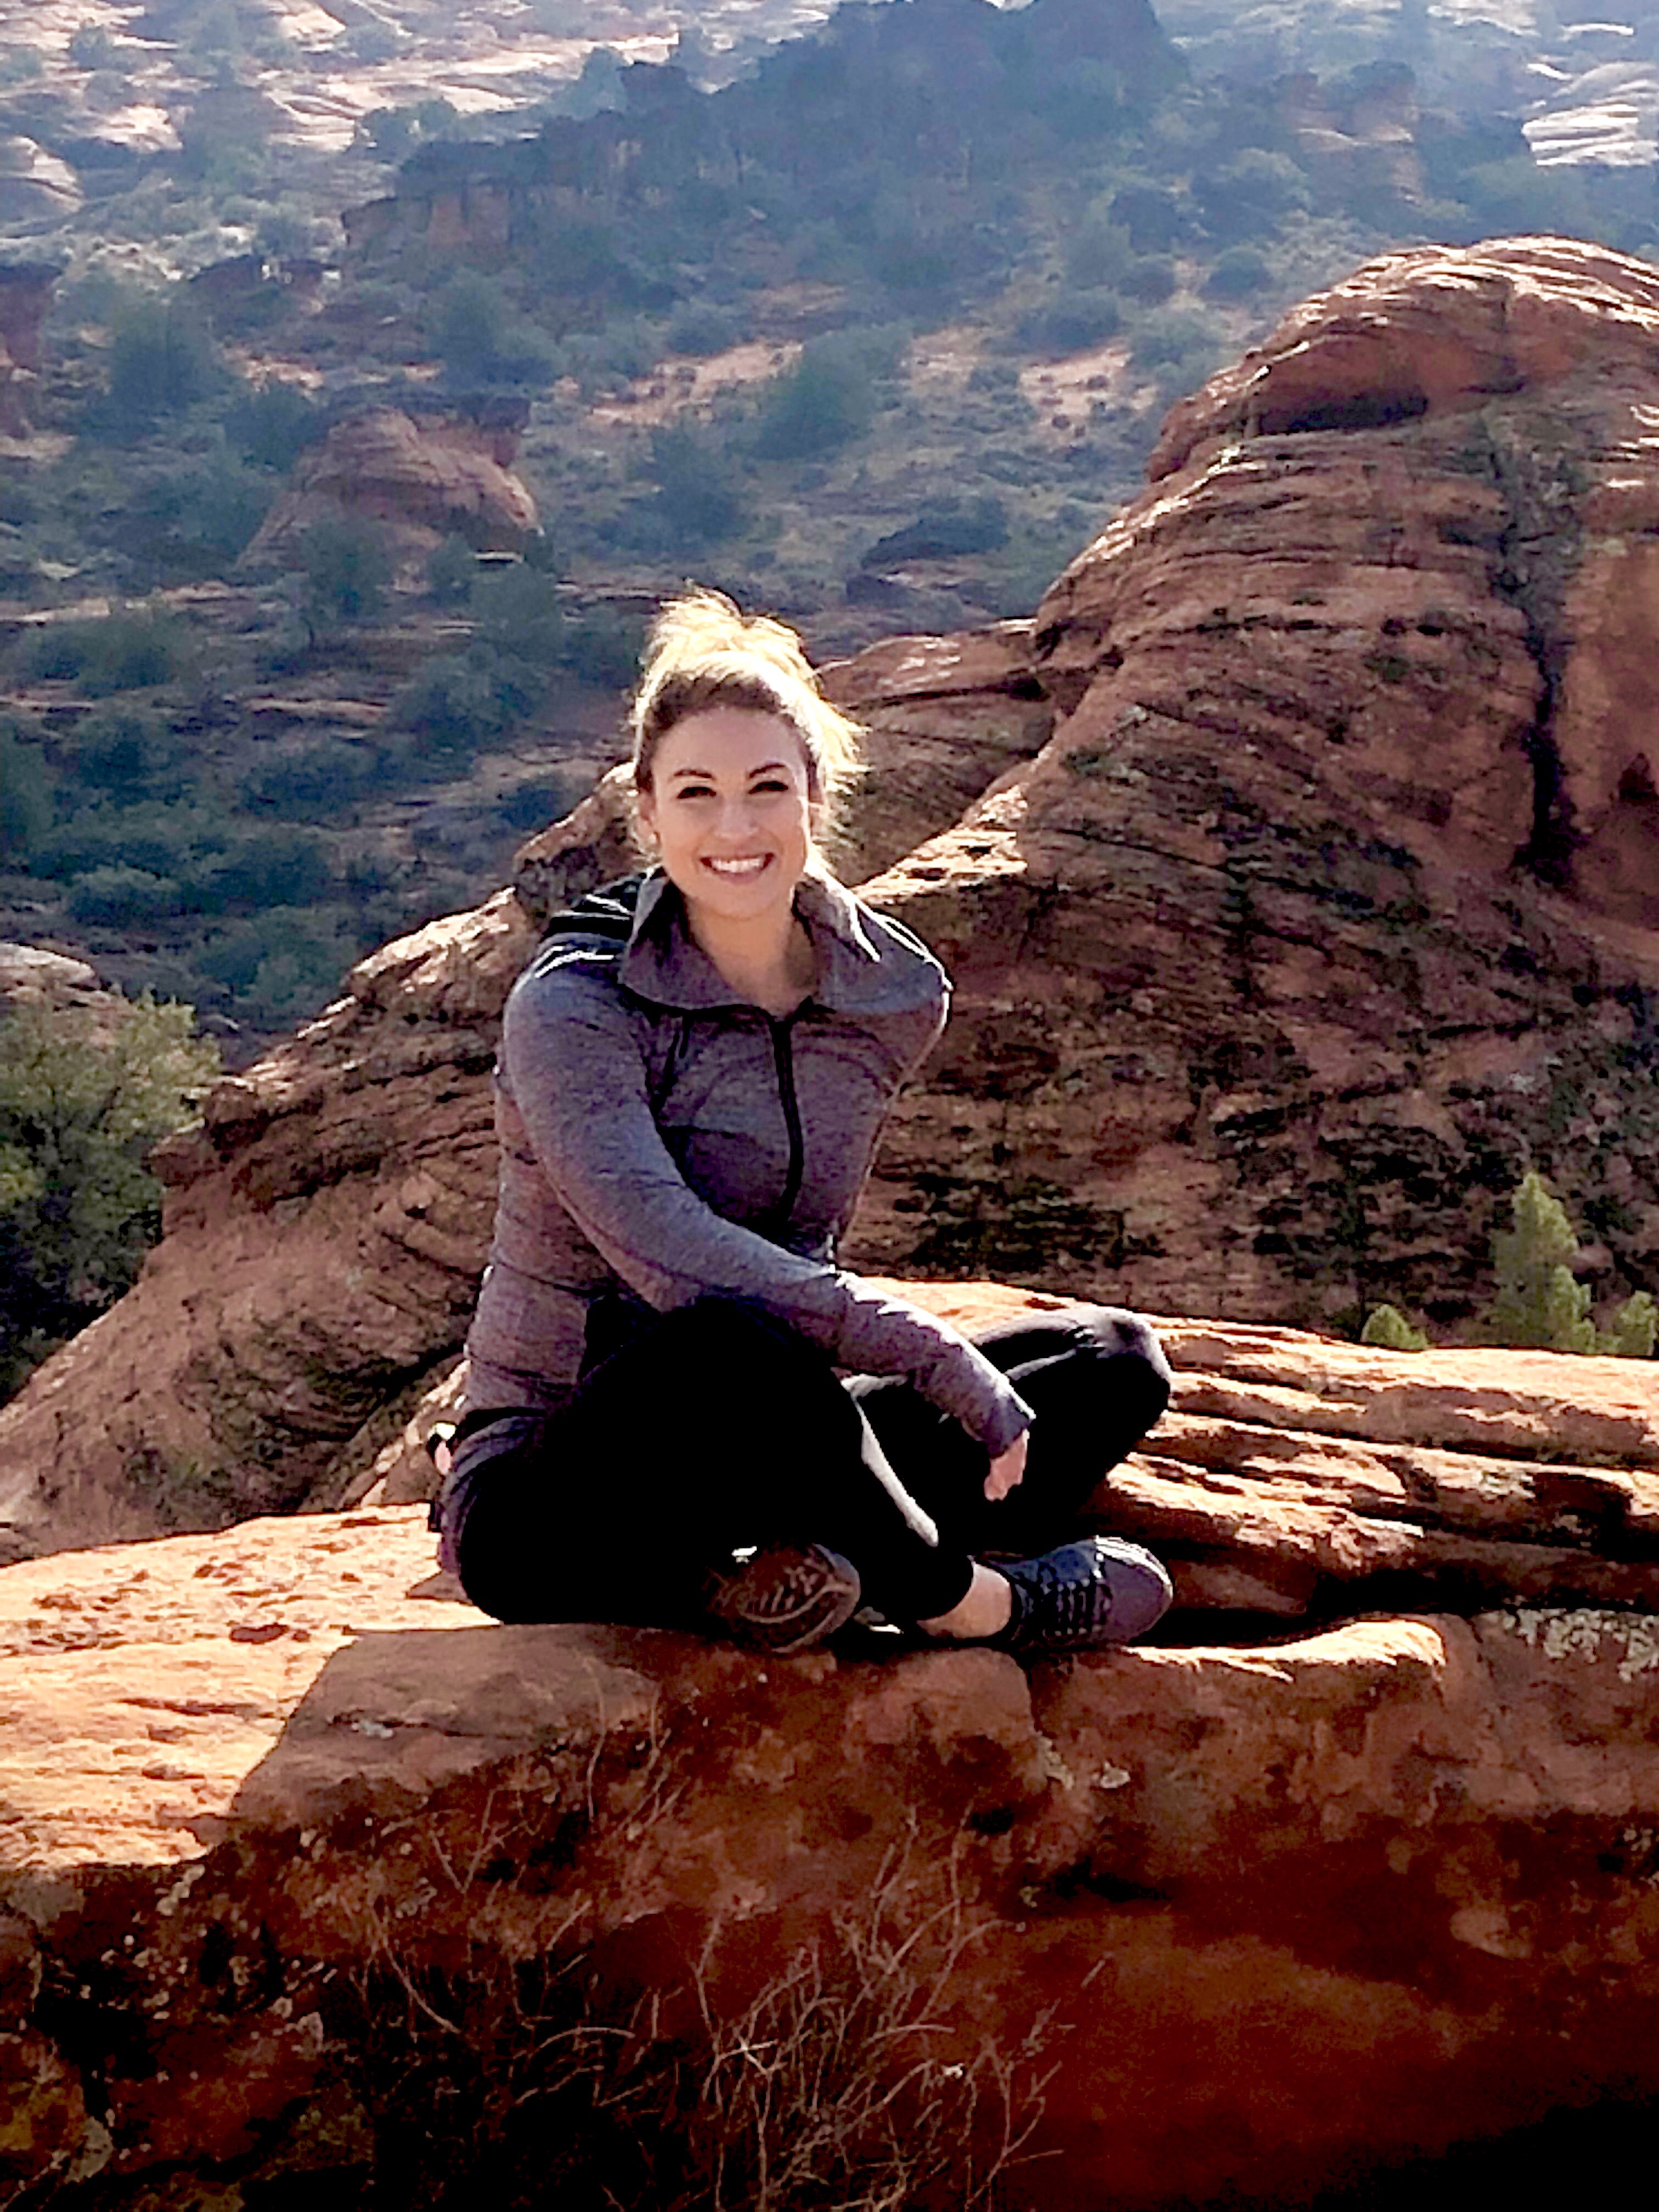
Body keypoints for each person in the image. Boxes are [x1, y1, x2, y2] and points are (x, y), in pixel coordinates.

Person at [436, 589, 1174, 1656]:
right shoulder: (577, 1004)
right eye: (697, 794)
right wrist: (928, 1353)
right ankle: (976, 1606)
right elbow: (673, 1257)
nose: (735, 829)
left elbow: (805, 1262)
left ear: (816, 796)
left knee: (1108, 1360)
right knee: (728, 1339)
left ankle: (800, 1573)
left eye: (766, 789)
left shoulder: (882, 998)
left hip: (768, 1440)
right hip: (558, 1496)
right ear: (648, 811)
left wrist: (895, 1390)